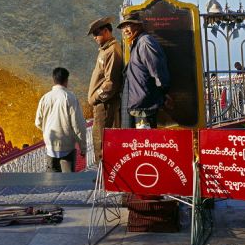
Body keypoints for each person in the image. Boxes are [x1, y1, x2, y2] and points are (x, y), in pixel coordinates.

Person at [117, 13, 170, 128]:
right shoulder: (136, 43)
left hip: (144, 106)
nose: (125, 30)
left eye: (128, 26)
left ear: (138, 26)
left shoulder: (145, 42)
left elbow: (157, 71)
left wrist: (164, 92)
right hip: (137, 105)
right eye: (123, 27)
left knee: (146, 142)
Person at [35, 67, 86, 172]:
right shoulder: (70, 98)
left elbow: (38, 122)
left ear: (53, 79)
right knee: (67, 181)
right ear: (66, 80)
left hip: (50, 145)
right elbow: (78, 125)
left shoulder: (45, 98)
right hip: (67, 146)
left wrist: (47, 130)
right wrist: (83, 147)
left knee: (52, 182)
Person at [87, 16, 123, 163]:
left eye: (97, 33)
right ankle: (102, 174)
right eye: (93, 34)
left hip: (105, 104)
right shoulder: (105, 50)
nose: (95, 37)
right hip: (101, 105)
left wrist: (96, 97)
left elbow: (110, 83)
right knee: (98, 141)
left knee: (102, 142)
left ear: (107, 31)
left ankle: (104, 177)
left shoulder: (112, 51)